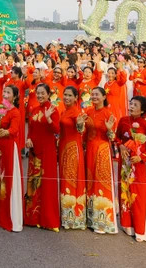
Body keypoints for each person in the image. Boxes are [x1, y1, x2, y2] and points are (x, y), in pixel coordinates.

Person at [115, 95, 146, 243]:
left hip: (137, 164)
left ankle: (141, 228)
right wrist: (120, 145)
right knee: (125, 192)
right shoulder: (123, 120)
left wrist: (143, 157)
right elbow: (117, 137)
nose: (131, 106)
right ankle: (127, 225)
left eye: (135, 105)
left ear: (143, 110)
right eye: (131, 104)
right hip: (125, 163)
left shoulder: (145, 125)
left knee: (138, 195)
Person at [78, 87, 118, 234]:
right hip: (89, 149)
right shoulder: (88, 111)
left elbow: (113, 138)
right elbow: (82, 131)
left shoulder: (108, 113)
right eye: (92, 94)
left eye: (97, 95)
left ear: (103, 97)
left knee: (101, 181)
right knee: (90, 181)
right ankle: (90, 217)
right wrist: (80, 124)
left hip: (102, 150)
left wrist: (109, 130)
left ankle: (103, 221)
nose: (94, 97)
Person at [0, 84, 24, 232]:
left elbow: (15, 129)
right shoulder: (1, 108)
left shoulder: (15, 112)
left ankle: (10, 215)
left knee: (7, 179)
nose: (5, 94)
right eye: (4, 92)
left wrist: (6, 132)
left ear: (14, 96)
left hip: (8, 148)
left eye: (8, 92)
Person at [24, 83, 61, 231]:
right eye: (38, 93)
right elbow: (31, 128)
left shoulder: (53, 109)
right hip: (34, 151)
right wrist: (28, 139)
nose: (39, 96)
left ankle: (47, 219)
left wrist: (49, 119)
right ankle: (33, 217)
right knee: (34, 183)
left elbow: (57, 130)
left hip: (47, 151)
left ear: (48, 94)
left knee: (46, 184)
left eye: (42, 93)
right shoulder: (33, 109)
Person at [58, 86, 86, 230]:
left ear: (76, 98)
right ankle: (66, 215)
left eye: (70, 95)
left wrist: (80, 125)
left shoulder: (76, 112)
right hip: (63, 147)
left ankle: (75, 216)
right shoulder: (63, 110)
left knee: (72, 179)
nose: (67, 98)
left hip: (73, 148)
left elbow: (81, 128)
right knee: (65, 179)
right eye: (65, 95)